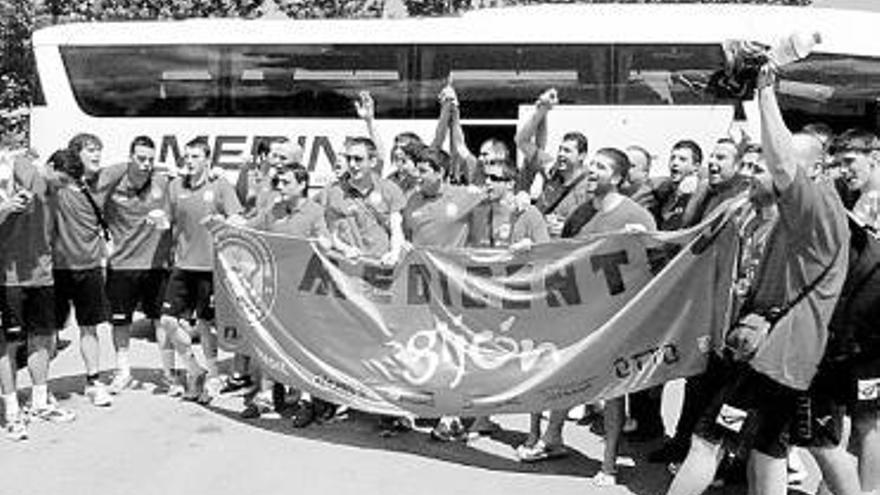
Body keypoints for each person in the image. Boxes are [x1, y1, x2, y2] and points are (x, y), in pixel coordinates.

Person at [664, 59, 849, 495]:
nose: (755, 169)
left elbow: (785, 162)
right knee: (768, 450)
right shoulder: (800, 209)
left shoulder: (814, 205)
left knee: (706, 441)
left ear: (811, 171)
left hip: (777, 358)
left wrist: (765, 92)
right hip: (785, 357)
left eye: (760, 162)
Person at [529, 148, 653, 487]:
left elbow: (659, 260)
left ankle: (609, 464)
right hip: (578, 312)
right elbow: (562, 257)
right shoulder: (581, 213)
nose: (592, 171)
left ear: (616, 178)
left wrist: (640, 241)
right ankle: (552, 437)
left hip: (617, 317)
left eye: (600, 167)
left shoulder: (637, 215)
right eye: (591, 165)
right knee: (566, 373)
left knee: (612, 390)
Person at [800, 128, 880, 495]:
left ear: (875, 157)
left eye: (850, 162)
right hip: (850, 331)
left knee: (867, 422)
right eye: (840, 163)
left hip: (871, 334)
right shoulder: (859, 201)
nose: (845, 170)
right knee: (853, 422)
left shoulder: (873, 203)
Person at [158, 137, 243, 403]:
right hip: (182, 265)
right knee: (168, 321)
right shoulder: (175, 186)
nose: (190, 162)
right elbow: (166, 219)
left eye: (195, 157)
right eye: (187, 157)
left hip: (211, 267)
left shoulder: (219, 185)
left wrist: (225, 221)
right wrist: (158, 222)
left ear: (207, 160)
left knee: (207, 324)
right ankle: (195, 369)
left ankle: (214, 376)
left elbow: (237, 218)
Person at [0, 148, 77, 441]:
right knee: (8, 344)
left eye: (65, 183)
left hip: (42, 277)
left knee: (42, 339)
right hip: (9, 278)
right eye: (59, 180)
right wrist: (8, 205)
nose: (60, 187)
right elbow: (15, 163)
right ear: (48, 165)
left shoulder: (56, 189)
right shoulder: (20, 171)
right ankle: (11, 411)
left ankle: (40, 402)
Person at [54, 133, 125, 407]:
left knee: (89, 328)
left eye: (99, 150)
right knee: (48, 334)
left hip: (91, 268)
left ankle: (94, 382)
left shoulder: (102, 180)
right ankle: (41, 389)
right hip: (58, 270)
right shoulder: (55, 185)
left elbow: (135, 166)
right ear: (76, 155)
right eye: (91, 150)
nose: (97, 155)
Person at [102, 136, 174, 395]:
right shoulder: (113, 183)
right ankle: (123, 371)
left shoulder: (164, 180)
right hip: (121, 264)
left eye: (150, 159)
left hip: (156, 264)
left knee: (161, 321)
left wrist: (166, 222)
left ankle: (168, 373)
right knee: (121, 322)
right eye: (141, 158)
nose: (146, 164)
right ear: (130, 157)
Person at [515, 88, 590, 238]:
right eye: (560, 149)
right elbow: (523, 141)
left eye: (567, 151)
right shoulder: (554, 170)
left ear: (582, 156)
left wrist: (567, 228)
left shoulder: (590, 185)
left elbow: (596, 223)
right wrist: (543, 110)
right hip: (538, 245)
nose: (561, 154)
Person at [653, 140, 703, 230]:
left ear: (696, 167)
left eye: (682, 159)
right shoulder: (663, 191)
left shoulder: (701, 194)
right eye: (672, 158)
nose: (675, 163)